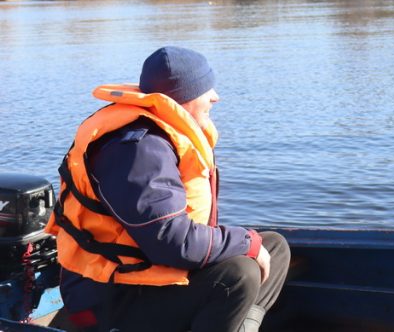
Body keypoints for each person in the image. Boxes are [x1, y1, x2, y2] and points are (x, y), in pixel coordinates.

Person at [45, 46, 290, 332]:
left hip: (149, 274)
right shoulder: (138, 151)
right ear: (184, 97)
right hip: (112, 299)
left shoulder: (161, 134)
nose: (215, 97)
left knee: (274, 246)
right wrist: (247, 243)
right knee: (238, 274)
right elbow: (171, 243)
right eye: (206, 89)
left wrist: (251, 243)